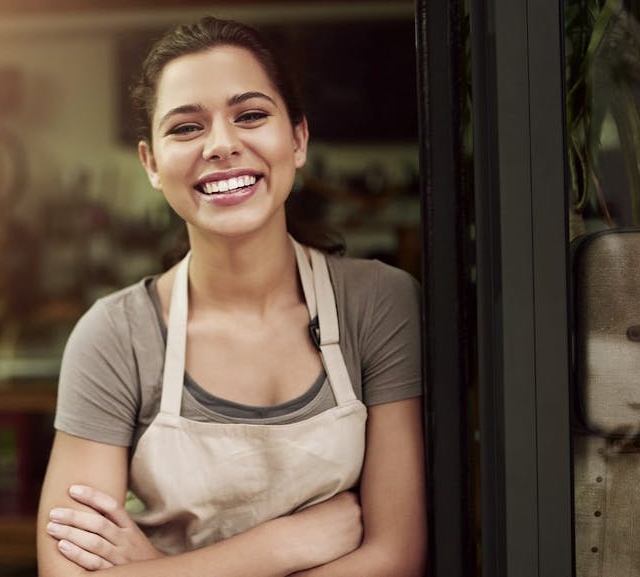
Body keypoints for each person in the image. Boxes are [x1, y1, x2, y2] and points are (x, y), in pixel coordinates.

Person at [37, 16, 426, 577]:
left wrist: (151, 570)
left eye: (250, 116)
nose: (222, 145)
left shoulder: (379, 305)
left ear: (297, 140)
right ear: (150, 163)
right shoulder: (116, 336)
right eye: (186, 128)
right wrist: (283, 545)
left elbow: (397, 560)